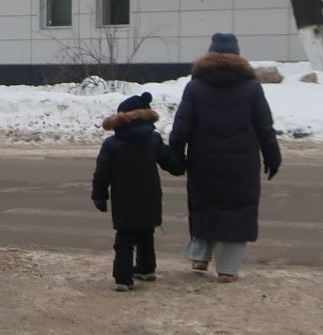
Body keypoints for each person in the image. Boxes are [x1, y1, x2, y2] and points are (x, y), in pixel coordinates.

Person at [168, 33, 281, 282]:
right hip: (241, 163)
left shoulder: (195, 86)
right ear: (237, 56)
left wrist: (176, 155)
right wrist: (273, 156)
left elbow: (181, 127)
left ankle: (200, 256)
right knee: (237, 209)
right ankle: (228, 269)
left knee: (205, 204)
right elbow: (265, 126)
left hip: (203, 160)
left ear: (209, 55)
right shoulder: (251, 87)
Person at [91, 91, 181, 291]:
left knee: (124, 239)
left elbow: (102, 173)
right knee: (146, 233)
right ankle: (147, 269)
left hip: (124, 200)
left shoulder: (112, 144)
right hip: (150, 197)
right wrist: (181, 158)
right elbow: (172, 164)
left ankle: (123, 279)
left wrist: (99, 195)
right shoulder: (154, 140)